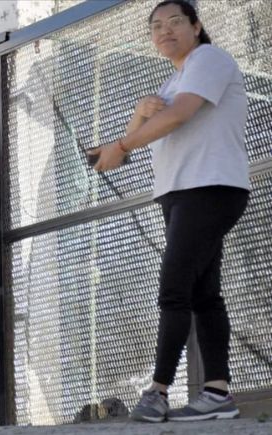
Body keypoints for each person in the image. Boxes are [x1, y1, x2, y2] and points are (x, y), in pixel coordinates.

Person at [89, 0, 249, 423]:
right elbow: (122, 154)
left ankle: (157, 392)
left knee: (174, 289)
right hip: (181, 195)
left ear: (196, 26)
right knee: (203, 294)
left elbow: (179, 116)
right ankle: (217, 392)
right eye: (156, 26)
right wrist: (137, 115)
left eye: (175, 21)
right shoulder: (172, 82)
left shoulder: (208, 59)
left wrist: (121, 144)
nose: (165, 31)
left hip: (209, 188)